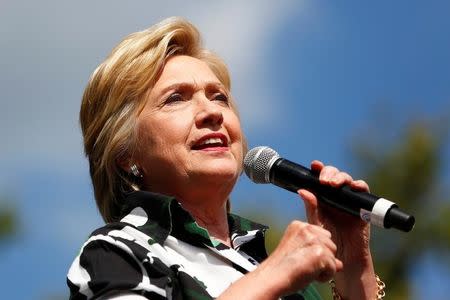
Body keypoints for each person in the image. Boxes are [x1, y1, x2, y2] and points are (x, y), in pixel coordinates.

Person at [67, 17, 385, 299]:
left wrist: (354, 267)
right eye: (176, 98)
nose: (212, 113)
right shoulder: (117, 250)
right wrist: (273, 276)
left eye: (219, 97)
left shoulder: (283, 273)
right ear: (125, 154)